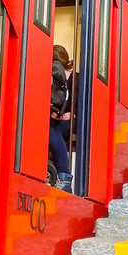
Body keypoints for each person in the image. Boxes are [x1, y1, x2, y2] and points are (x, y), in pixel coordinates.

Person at [49, 45, 76, 193]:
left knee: (53, 131)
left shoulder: (76, 77)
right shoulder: (51, 76)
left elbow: (79, 104)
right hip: (55, 116)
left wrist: (67, 114)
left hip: (72, 118)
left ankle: (65, 178)